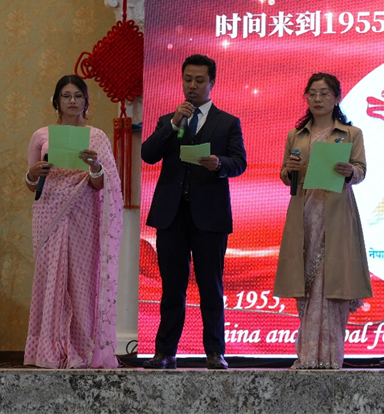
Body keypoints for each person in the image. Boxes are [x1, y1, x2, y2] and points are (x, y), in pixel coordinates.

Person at [141, 54, 247, 370]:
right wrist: (174, 124)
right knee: (172, 288)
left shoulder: (227, 122)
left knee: (210, 286)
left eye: (199, 80)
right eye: (188, 79)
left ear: (211, 82)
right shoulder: (168, 121)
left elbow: (239, 162)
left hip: (209, 216)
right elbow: (148, 154)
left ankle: (214, 352)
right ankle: (165, 352)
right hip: (171, 215)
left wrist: (219, 164)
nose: (192, 86)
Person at [274, 73, 373, 369]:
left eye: (325, 93)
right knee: (305, 281)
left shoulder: (351, 133)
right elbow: (285, 175)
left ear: (337, 98)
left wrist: (350, 171)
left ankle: (330, 357)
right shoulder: (296, 135)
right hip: (303, 214)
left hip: (337, 215)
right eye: (313, 94)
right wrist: (289, 169)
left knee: (333, 282)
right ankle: (307, 355)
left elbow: (361, 170)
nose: (318, 99)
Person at [23, 75, 123, 369]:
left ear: (86, 102)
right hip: (49, 213)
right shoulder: (41, 135)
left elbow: (103, 185)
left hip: (84, 215)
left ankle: (82, 349)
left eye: (78, 96)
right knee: (49, 280)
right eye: (66, 96)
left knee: (81, 281)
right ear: (56, 101)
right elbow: (30, 184)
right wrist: (33, 173)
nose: (72, 101)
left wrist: (95, 166)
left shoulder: (96, 137)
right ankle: (48, 351)